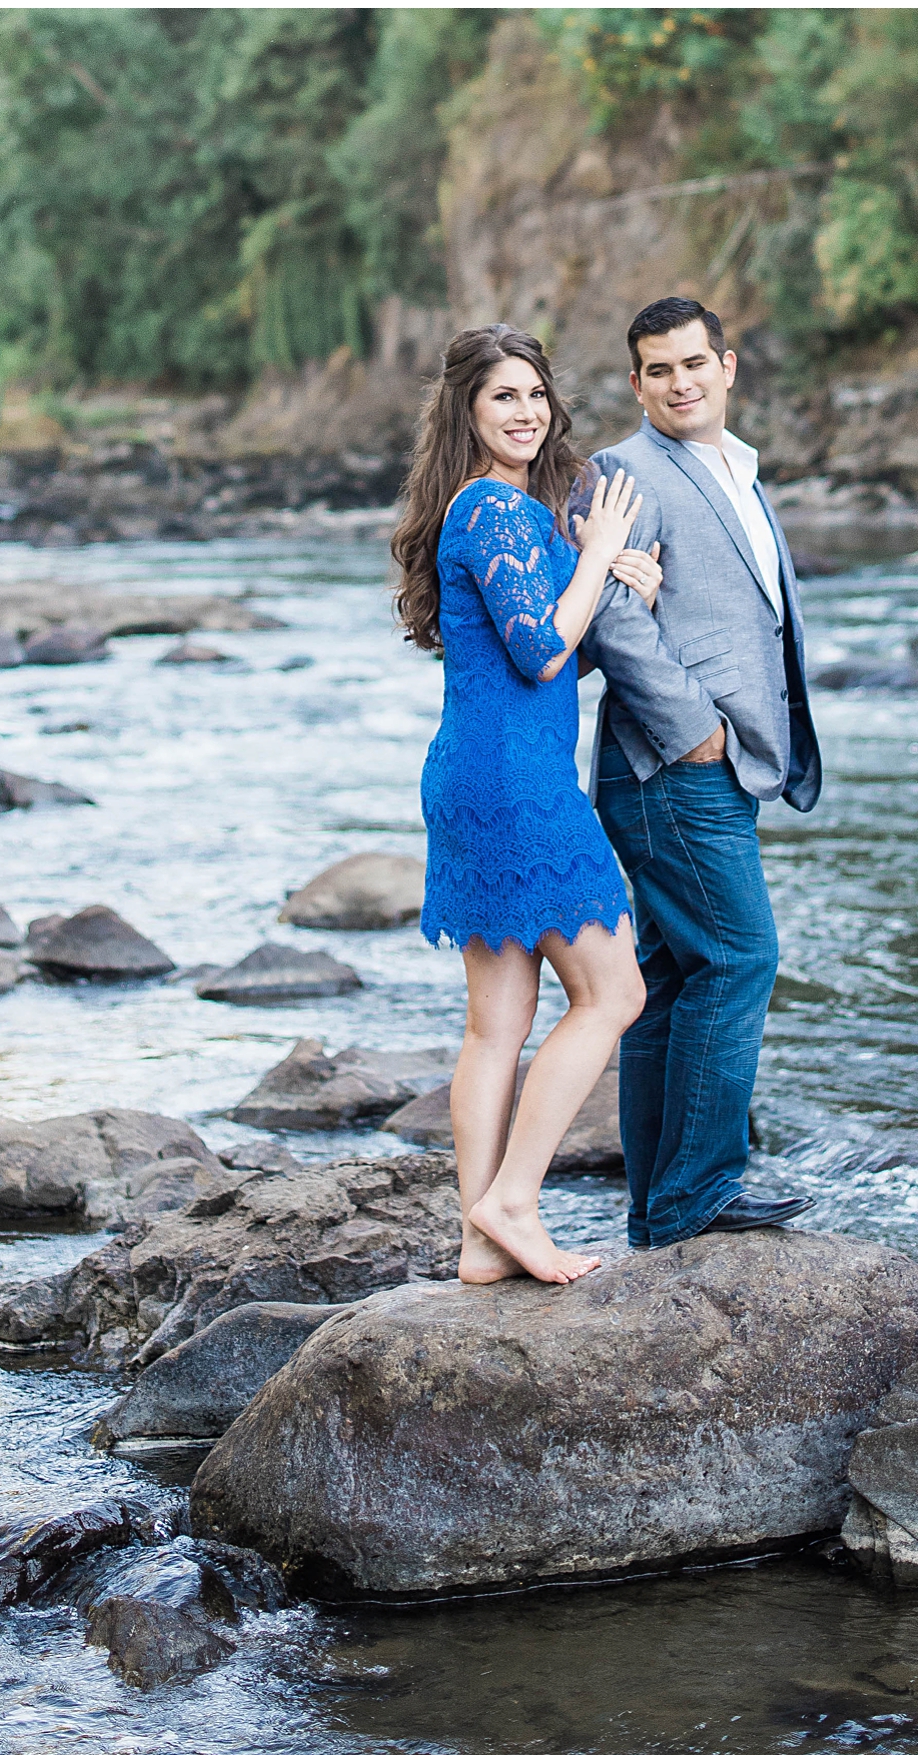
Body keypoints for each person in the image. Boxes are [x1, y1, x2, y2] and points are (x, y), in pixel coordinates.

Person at [392, 323, 663, 1286]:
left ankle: (478, 1240)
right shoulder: (496, 513)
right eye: (505, 396)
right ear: (467, 409)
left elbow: (545, 655)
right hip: (515, 786)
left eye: (537, 395)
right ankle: (511, 1199)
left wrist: (614, 575)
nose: (527, 412)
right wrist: (601, 549)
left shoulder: (493, 514)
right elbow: (546, 650)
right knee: (616, 991)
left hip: (477, 773)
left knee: (496, 1024)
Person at [578, 297, 823, 1251]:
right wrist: (695, 735)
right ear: (637, 384)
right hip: (670, 766)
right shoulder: (620, 473)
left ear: (727, 366)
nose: (680, 383)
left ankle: (657, 1208)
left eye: (694, 364)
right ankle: (697, 1195)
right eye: (658, 370)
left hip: (716, 766)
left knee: (675, 976)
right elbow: (609, 616)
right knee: (738, 957)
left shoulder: (740, 469)